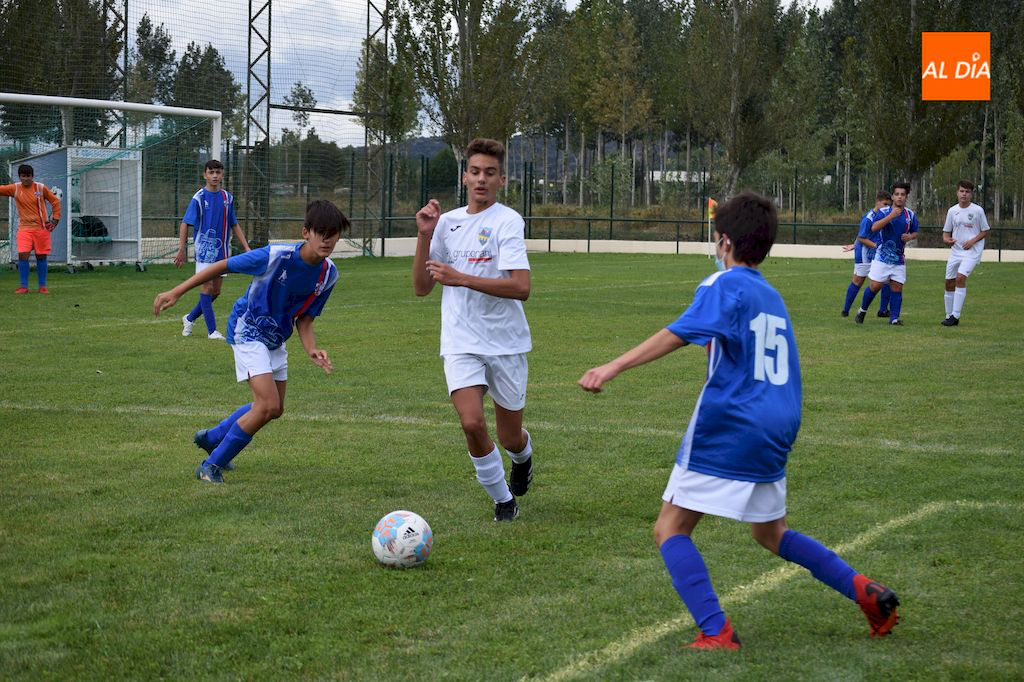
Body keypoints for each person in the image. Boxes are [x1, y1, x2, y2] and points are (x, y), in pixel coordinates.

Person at [578, 191, 900, 650]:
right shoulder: (772, 295)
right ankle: (867, 593)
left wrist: (611, 367)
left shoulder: (722, 284)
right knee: (771, 533)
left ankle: (716, 632)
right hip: (780, 420)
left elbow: (677, 334)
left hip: (735, 419)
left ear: (723, 241)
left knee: (670, 528)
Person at [154, 200, 346, 483]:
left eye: (334, 234)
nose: (328, 239)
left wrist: (311, 348)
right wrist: (178, 290)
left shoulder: (328, 274)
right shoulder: (276, 256)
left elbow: (305, 318)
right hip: (247, 329)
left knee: (275, 409)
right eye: (322, 232)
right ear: (306, 232)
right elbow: (222, 265)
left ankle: (213, 437)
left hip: (275, 337)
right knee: (266, 404)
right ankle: (210, 466)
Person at [412, 137, 534, 522]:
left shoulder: (508, 221)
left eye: (490, 173)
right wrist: (424, 235)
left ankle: (522, 457)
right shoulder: (446, 224)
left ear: (502, 179)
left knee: (510, 435)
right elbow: (421, 287)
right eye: (476, 172)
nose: (482, 179)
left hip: (506, 343)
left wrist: (462, 278)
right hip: (461, 341)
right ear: (465, 176)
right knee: (471, 422)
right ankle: (503, 502)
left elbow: (521, 287)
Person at [175, 159, 251, 340]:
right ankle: (212, 331)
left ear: (222, 175)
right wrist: (182, 249)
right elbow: (185, 223)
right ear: (205, 175)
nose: (215, 176)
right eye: (211, 172)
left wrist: (247, 247)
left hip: (222, 252)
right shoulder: (199, 198)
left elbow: (234, 224)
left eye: (218, 172)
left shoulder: (227, 198)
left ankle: (189, 318)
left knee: (216, 291)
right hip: (204, 251)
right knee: (207, 287)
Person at [854, 182, 919, 326]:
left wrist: (910, 237)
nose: (900, 197)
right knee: (876, 286)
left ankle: (894, 319)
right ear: (893, 196)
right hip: (882, 257)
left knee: (897, 287)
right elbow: (874, 227)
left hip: (899, 258)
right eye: (897, 194)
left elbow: (915, 231)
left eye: (902, 194)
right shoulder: (884, 212)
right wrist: (891, 216)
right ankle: (862, 310)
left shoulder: (910, 215)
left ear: (906, 197)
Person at [1, 164, 61, 294]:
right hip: (24, 229)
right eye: (23, 176)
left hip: (41, 228)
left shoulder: (41, 188)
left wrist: (55, 219)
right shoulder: (15, 188)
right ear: (19, 176)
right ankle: (23, 286)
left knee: (41, 256)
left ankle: (42, 286)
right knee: (23, 255)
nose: (26, 178)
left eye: (28, 176)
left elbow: (55, 202)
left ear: (32, 176)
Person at [940, 179, 990, 326]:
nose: (964, 194)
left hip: (971, 251)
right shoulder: (952, 211)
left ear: (971, 194)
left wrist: (972, 241)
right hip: (955, 252)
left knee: (960, 278)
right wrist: (946, 240)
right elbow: (946, 232)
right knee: (949, 282)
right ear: (957, 192)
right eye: (962, 191)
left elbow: (985, 230)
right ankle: (949, 315)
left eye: (967, 192)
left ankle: (955, 316)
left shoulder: (977, 210)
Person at [841, 191, 892, 317]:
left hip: (878, 252)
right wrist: (877, 246)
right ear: (878, 202)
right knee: (858, 281)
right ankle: (845, 310)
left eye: (888, 205)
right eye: (885, 204)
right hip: (865, 253)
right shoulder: (869, 218)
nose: (887, 207)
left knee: (886, 279)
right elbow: (861, 237)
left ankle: (883, 310)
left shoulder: (884, 217)